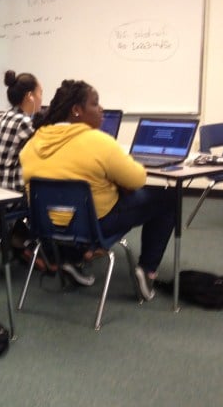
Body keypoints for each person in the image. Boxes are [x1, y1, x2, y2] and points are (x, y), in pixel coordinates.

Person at [19, 79, 176, 300]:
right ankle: (147, 270)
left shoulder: (33, 143)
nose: (101, 109)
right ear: (76, 110)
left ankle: (69, 259)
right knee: (168, 199)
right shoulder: (97, 141)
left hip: (46, 228)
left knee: (78, 208)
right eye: (95, 103)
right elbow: (138, 179)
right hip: (93, 226)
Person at [0, 70, 43, 192]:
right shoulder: (23, 122)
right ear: (29, 97)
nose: (41, 100)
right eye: (40, 93)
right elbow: (43, 152)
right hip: (12, 196)